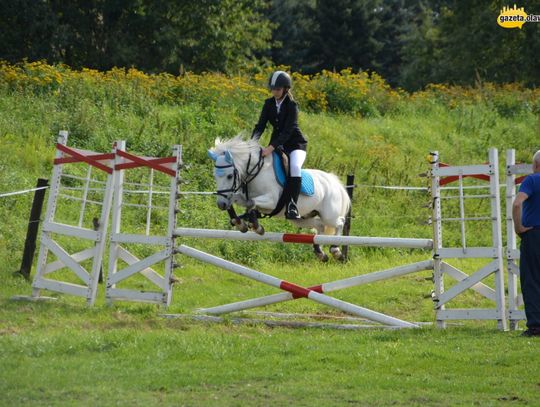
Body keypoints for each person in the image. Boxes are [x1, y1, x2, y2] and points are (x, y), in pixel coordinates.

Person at [251, 70, 308, 219]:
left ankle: (292, 205)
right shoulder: (268, 104)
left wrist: (271, 147)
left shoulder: (292, 105)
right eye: (273, 88)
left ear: (285, 89)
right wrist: (252, 143)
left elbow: (288, 131)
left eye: (277, 89)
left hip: (295, 145)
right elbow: (260, 126)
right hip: (278, 145)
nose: (274, 91)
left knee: (294, 167)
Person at [512, 150, 540, 337]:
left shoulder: (532, 180)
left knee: (531, 279)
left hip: (534, 235)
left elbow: (517, 204)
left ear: (536, 165)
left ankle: (536, 325)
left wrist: (519, 227)